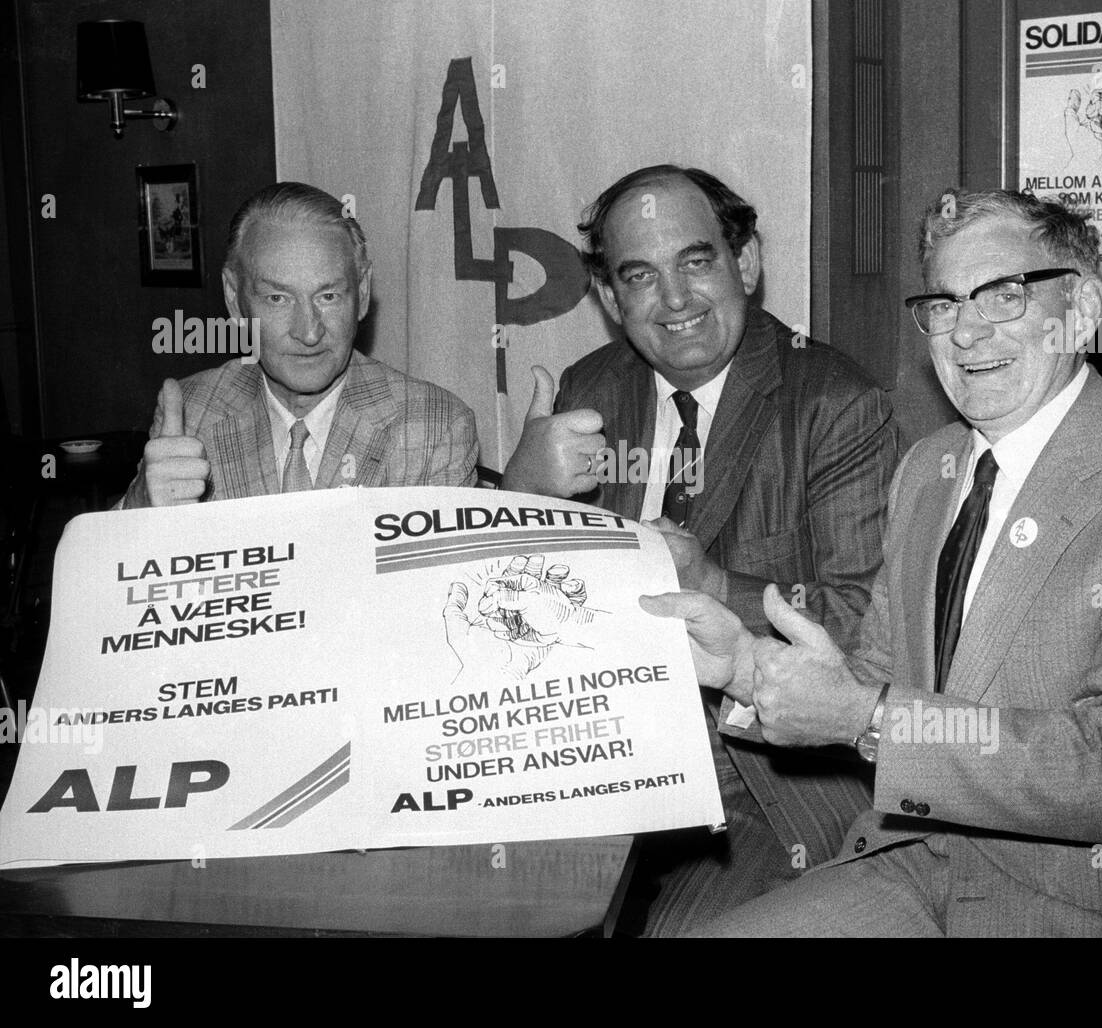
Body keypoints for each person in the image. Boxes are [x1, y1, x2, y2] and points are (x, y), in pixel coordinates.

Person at [644, 187, 1102, 937]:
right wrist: (747, 669)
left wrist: (869, 717)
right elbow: (876, 681)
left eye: (1004, 295)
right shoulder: (930, 470)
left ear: (1081, 312)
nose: (966, 332)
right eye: (946, 305)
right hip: (922, 859)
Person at [502, 165, 899, 935]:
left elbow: (863, 626)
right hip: (586, 760)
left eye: (696, 261)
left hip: (756, 780)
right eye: (641, 277)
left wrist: (716, 581)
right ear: (611, 300)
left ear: (743, 263)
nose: (676, 300)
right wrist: (524, 495)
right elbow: (505, 611)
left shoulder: (836, 402)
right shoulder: (589, 390)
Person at [120, 182, 477, 508]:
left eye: (329, 296)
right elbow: (110, 569)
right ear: (234, 298)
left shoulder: (434, 427)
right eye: (278, 298)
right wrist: (141, 508)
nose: (309, 333)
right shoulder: (193, 412)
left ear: (363, 292)